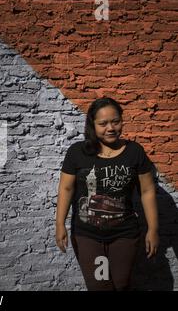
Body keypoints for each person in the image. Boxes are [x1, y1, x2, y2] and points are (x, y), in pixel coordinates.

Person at [55, 97, 159, 291]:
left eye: (116, 121)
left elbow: (147, 191)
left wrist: (153, 229)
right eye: (103, 123)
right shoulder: (77, 152)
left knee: (121, 285)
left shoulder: (134, 152)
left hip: (125, 234)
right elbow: (66, 188)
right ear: (92, 125)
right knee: (100, 286)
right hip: (88, 236)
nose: (110, 128)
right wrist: (59, 223)